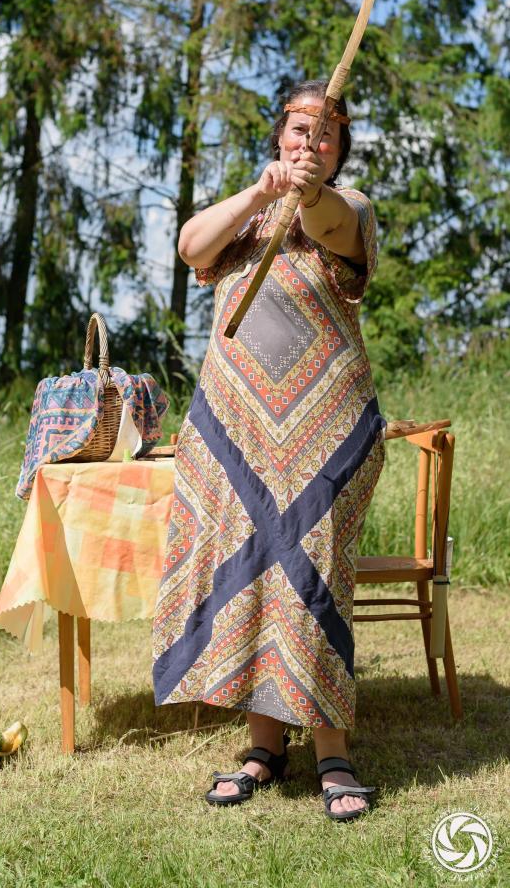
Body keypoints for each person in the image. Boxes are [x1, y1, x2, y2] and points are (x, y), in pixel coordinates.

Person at [152, 79, 385, 822]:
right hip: (239, 431)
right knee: (253, 573)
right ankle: (262, 748)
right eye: (299, 129)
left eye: (326, 132)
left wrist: (308, 192)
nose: (311, 141)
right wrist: (263, 192)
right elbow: (191, 245)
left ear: (339, 149)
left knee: (310, 575)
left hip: (326, 433)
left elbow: (330, 221)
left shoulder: (348, 209)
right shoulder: (247, 216)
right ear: (279, 137)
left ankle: (333, 754)